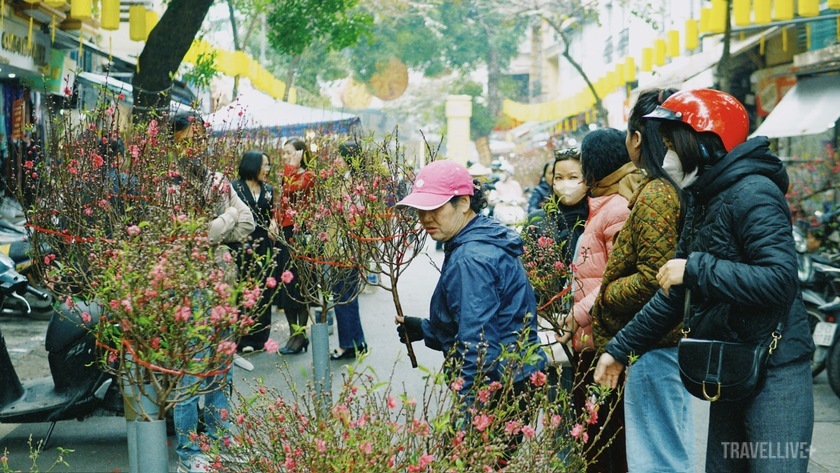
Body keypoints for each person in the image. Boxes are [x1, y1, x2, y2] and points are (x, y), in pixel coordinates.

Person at [594, 89, 815, 472]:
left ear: (704, 142)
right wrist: (619, 350)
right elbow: (673, 292)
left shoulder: (754, 193)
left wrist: (697, 269)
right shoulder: (703, 197)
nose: (664, 156)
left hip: (776, 372)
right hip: (732, 366)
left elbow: (780, 280)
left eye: (669, 144)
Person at [393, 159, 547, 463]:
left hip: (498, 384)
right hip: (514, 376)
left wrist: (465, 413)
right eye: (420, 210)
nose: (425, 218)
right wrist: (426, 329)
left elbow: (478, 344)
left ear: (463, 202)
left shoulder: (471, 258)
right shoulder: (480, 236)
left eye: (435, 208)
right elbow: (492, 318)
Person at [588, 88, 696, 472]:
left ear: (637, 139)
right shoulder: (670, 189)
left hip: (655, 347)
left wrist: (607, 293)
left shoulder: (656, 195)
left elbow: (657, 278)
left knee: (657, 458)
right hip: (658, 345)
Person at [169, 111, 255, 473]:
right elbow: (194, 236)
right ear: (173, 142)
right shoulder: (170, 183)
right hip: (190, 283)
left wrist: (222, 224)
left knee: (222, 367)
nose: (195, 146)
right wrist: (227, 220)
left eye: (200, 139)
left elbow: (248, 220)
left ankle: (221, 442)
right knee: (192, 369)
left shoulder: (218, 180)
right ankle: (189, 452)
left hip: (222, 279)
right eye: (187, 140)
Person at [556, 128, 643, 473]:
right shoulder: (603, 204)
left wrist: (576, 314)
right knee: (594, 437)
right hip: (590, 339)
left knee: (605, 437)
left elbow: (618, 277)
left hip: (603, 340)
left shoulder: (618, 208)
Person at [232, 150, 279, 353]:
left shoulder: (268, 189)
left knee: (263, 289)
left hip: (263, 243)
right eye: (264, 165)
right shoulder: (234, 188)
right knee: (244, 288)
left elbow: (273, 212)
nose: (267, 170)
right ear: (253, 165)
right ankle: (242, 337)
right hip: (241, 243)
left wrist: (274, 223)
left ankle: (260, 337)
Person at [276, 138, 316, 355]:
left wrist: (292, 167)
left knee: (300, 287)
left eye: (289, 153)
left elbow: (295, 190)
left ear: (301, 153)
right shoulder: (287, 175)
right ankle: (295, 335)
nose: (285, 157)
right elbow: (282, 201)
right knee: (287, 289)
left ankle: (300, 335)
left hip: (301, 234)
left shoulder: (308, 176)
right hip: (286, 233)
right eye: (283, 154)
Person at [329, 142, 368, 360]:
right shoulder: (353, 181)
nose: (336, 161)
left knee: (343, 296)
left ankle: (348, 344)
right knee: (348, 296)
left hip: (345, 248)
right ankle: (356, 341)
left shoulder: (352, 184)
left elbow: (350, 217)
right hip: (347, 247)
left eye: (340, 156)